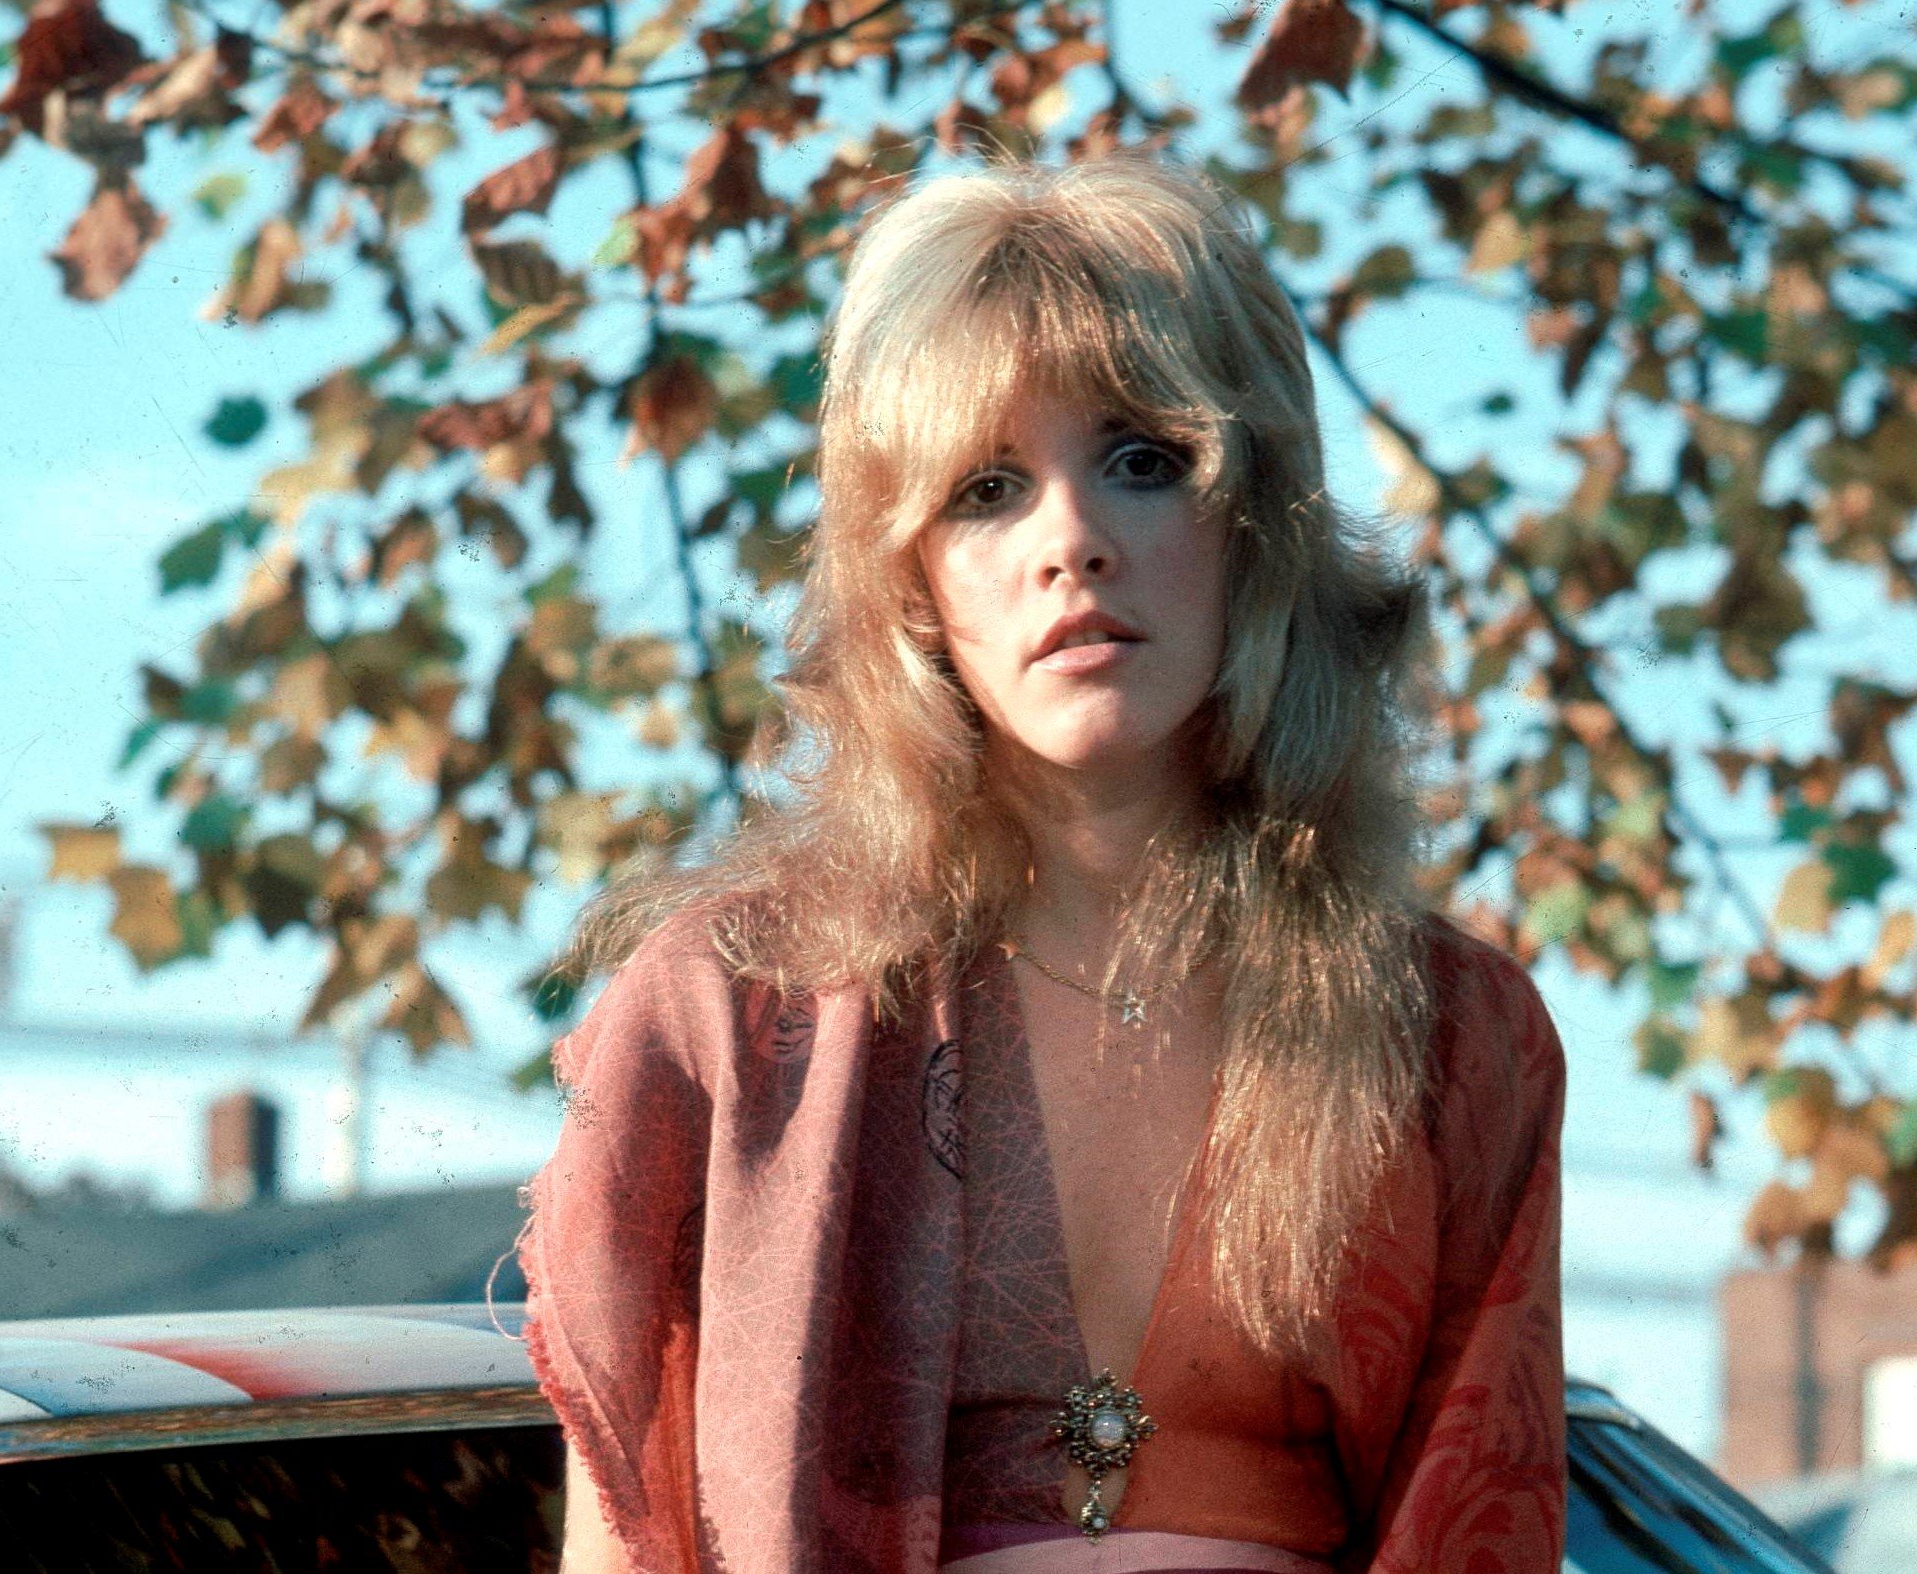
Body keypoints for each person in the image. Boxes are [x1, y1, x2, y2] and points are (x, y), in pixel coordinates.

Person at [514, 146, 1567, 1574]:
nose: (1072, 539)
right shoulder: (728, 1017)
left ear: (1258, 519)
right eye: (988, 487)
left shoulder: (1453, 1036)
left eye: (1143, 461)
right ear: (910, 582)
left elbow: (1476, 1537)